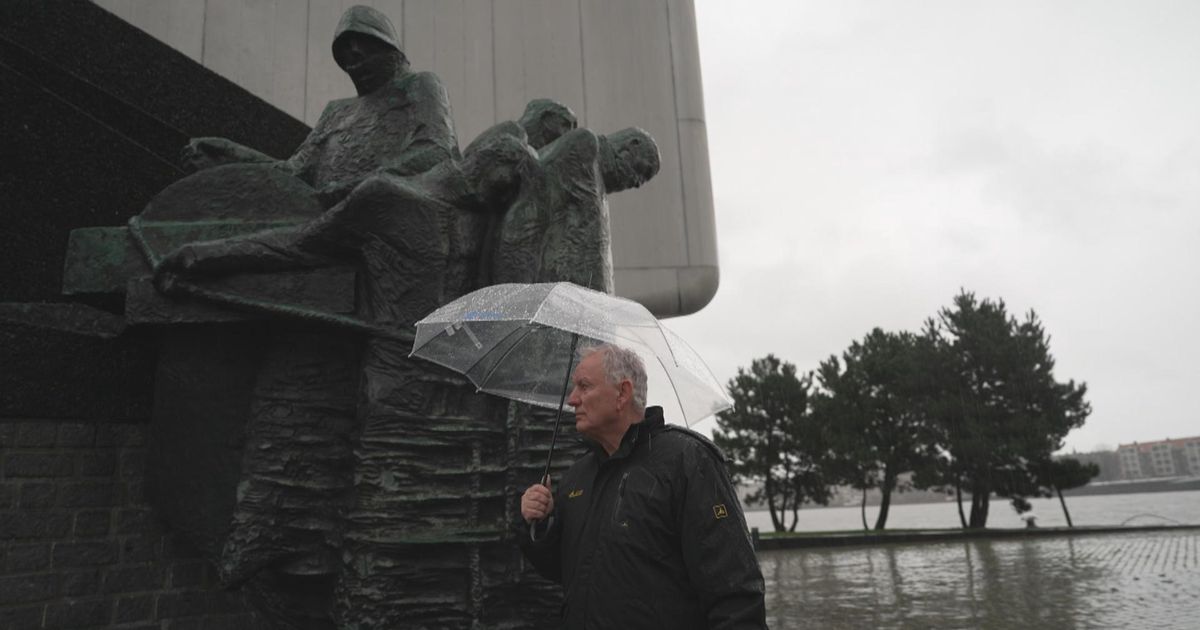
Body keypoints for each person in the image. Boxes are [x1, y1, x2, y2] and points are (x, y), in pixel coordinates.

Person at [518, 344, 767, 629]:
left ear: (622, 393)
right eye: (574, 388)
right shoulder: (578, 475)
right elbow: (566, 573)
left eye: (584, 386)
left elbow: (735, 593)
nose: (572, 399)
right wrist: (538, 524)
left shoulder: (687, 461)